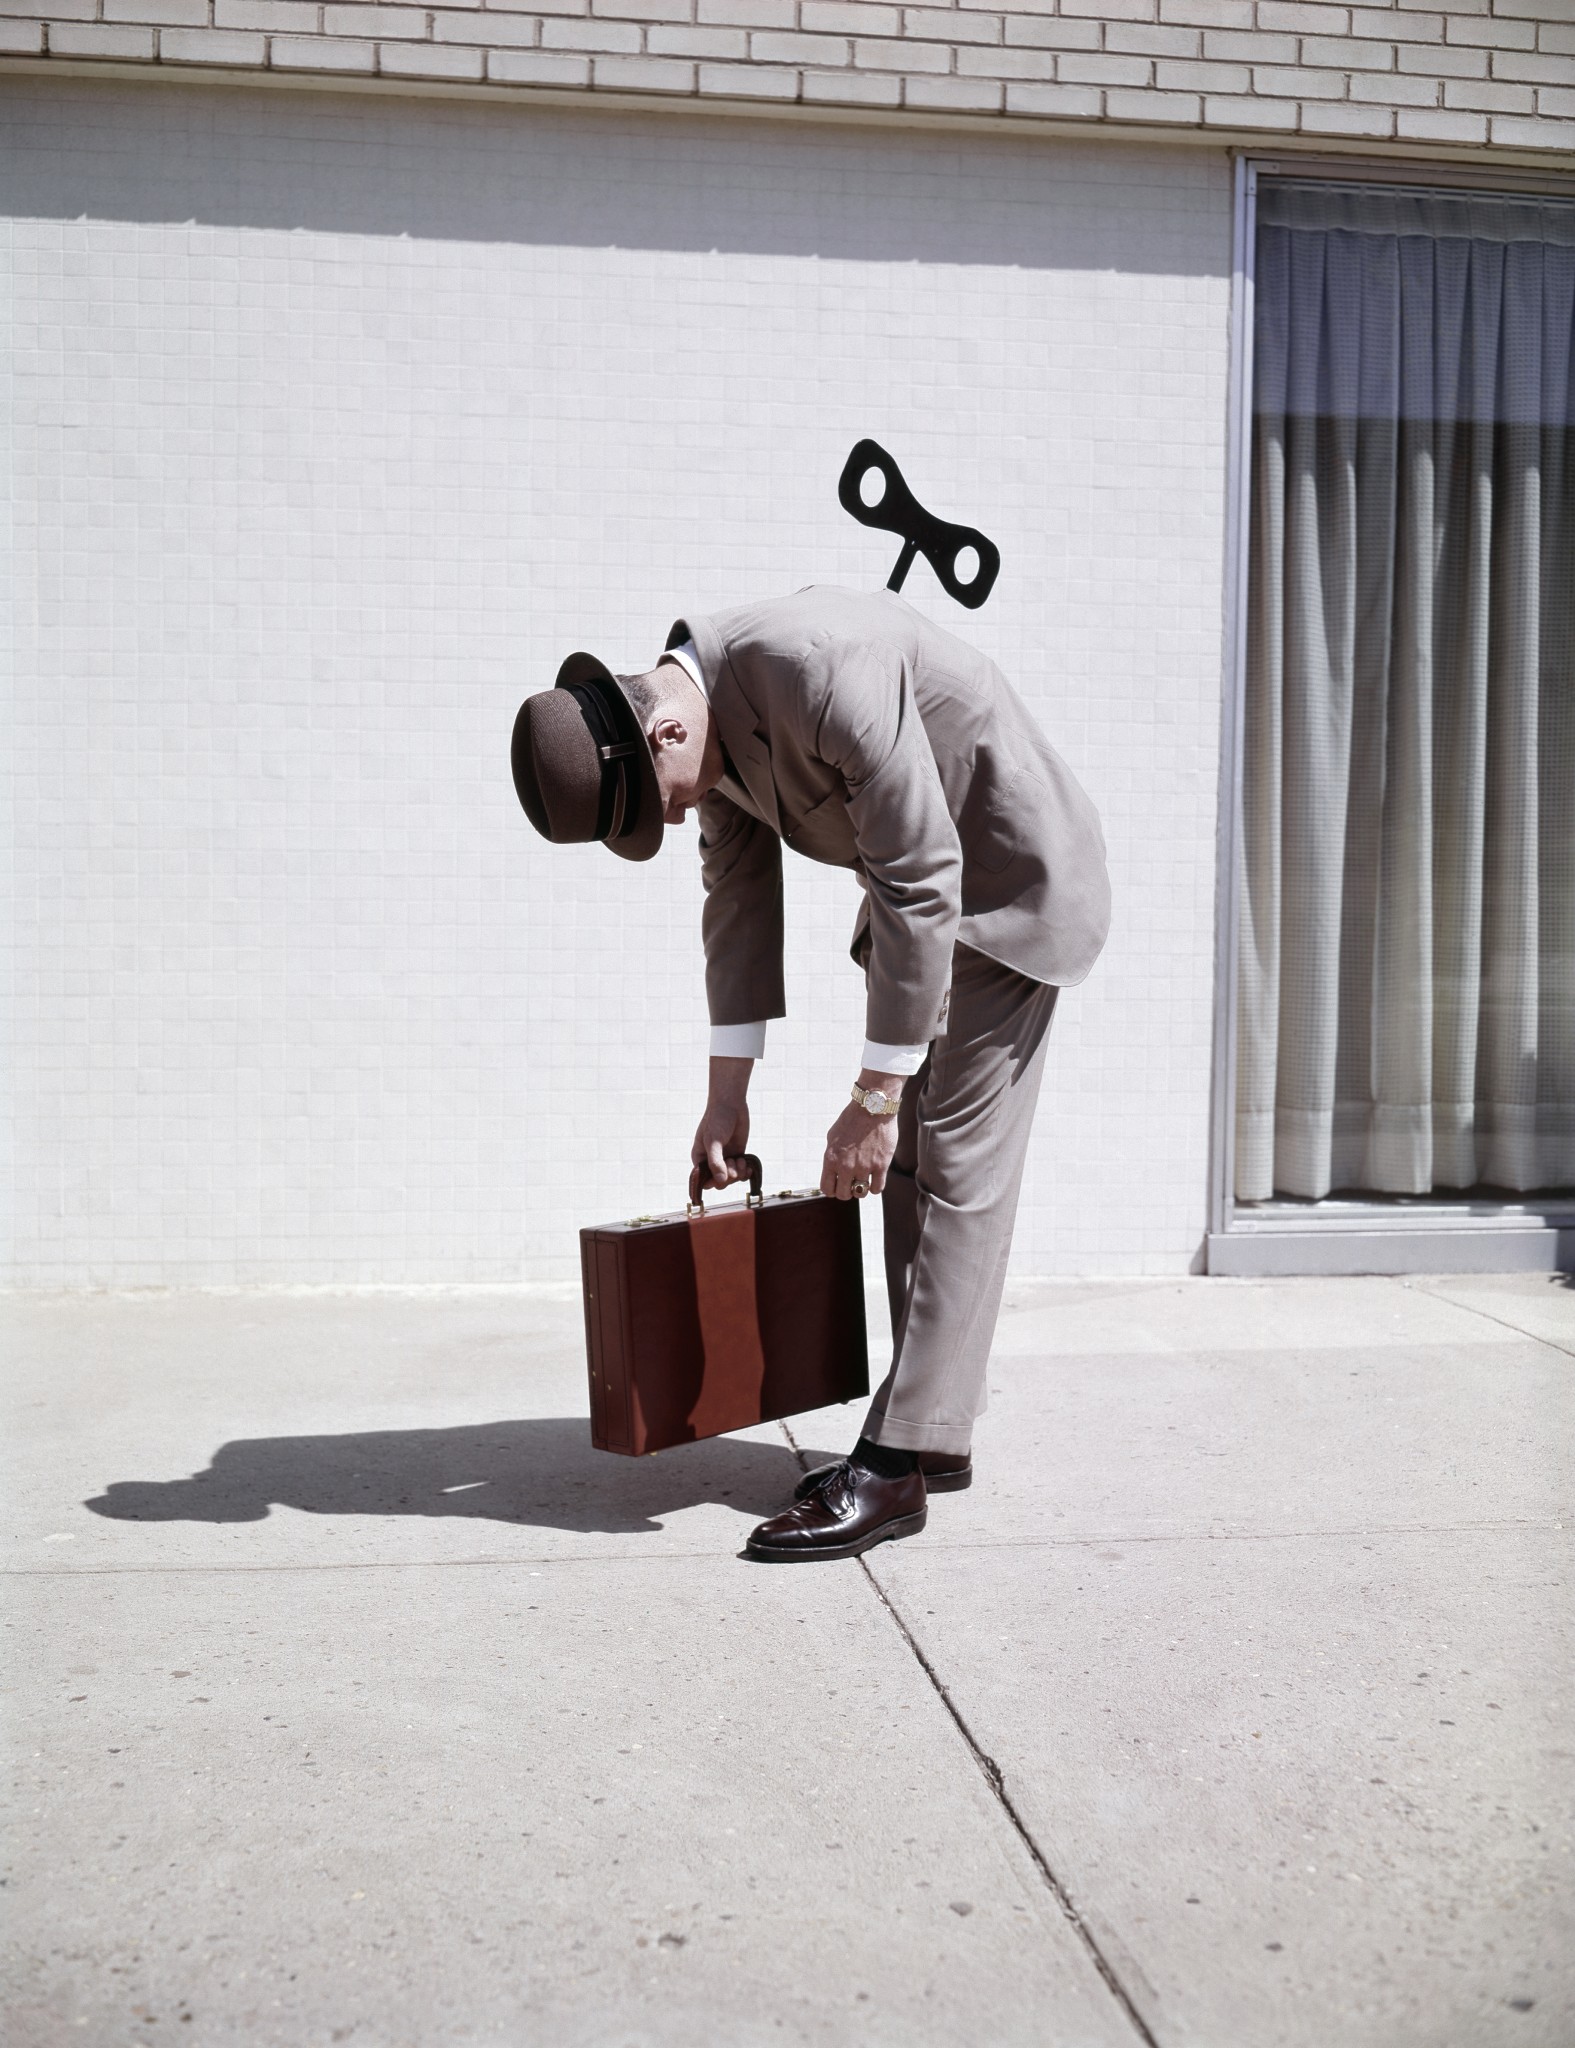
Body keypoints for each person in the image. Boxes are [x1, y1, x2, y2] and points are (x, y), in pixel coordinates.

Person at [512, 585, 1110, 1563]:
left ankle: (896, 1462)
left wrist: (871, 1097)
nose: (681, 816)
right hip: (923, 907)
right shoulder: (703, 731)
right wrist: (726, 1096)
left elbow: (922, 871)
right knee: (910, 1170)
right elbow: (736, 899)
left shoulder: (821, 667)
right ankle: (931, 1430)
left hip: (1006, 882)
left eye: (668, 803)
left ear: (664, 731)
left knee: (954, 1169)